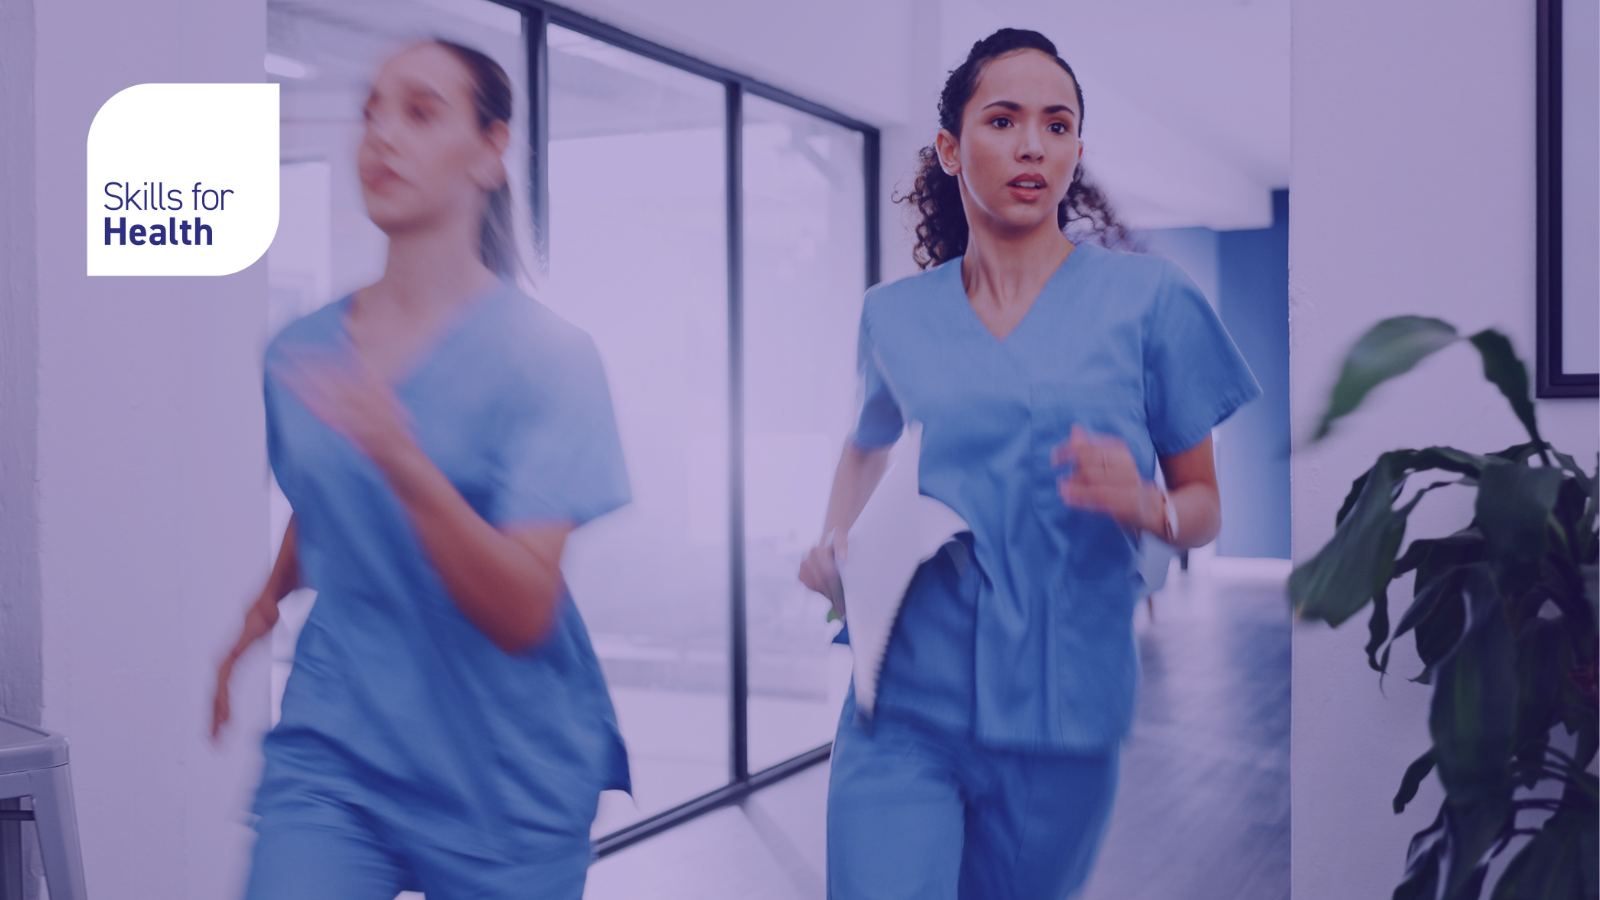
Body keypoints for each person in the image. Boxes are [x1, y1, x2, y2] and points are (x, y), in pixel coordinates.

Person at [799, 28, 1261, 899]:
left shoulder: (1151, 301)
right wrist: (835, 543)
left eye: (1057, 125)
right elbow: (865, 446)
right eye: (1004, 120)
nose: (1033, 146)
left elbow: (1202, 506)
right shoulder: (893, 316)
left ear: (1077, 150)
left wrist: (1149, 506)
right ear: (950, 149)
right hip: (904, 701)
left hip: (1063, 712)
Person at [210, 39, 631, 900]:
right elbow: (328, 505)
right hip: (338, 751)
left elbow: (522, 609)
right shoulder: (300, 352)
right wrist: (261, 609)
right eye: (371, 111)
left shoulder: (550, 358)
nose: (382, 135)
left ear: (489, 148)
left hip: (507, 779)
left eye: (420, 111)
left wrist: (402, 457)